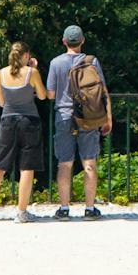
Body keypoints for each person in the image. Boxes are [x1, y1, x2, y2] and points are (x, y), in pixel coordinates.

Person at [44, 24, 111, 220]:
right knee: (89, 162)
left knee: (65, 163)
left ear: (64, 41)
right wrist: (107, 118)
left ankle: (64, 208)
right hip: (88, 116)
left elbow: (50, 94)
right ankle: (89, 209)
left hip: (64, 115)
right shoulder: (92, 61)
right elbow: (102, 91)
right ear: (82, 41)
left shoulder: (56, 63)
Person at [0, 42, 44, 222]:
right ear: (26, 56)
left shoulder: (0, 73)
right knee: (26, 167)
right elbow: (42, 95)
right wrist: (33, 69)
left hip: (7, 120)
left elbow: (1, 102)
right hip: (29, 121)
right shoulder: (32, 73)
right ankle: (22, 212)